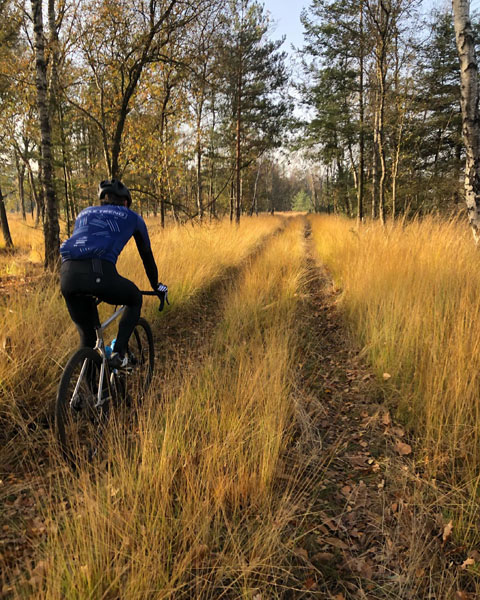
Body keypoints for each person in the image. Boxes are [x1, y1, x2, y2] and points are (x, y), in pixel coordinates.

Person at [60, 179, 167, 368]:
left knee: (88, 339)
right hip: (99, 272)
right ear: (125, 202)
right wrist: (155, 285)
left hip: (67, 275)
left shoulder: (83, 213)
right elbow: (146, 256)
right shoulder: (132, 217)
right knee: (134, 297)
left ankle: (95, 395)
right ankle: (119, 352)